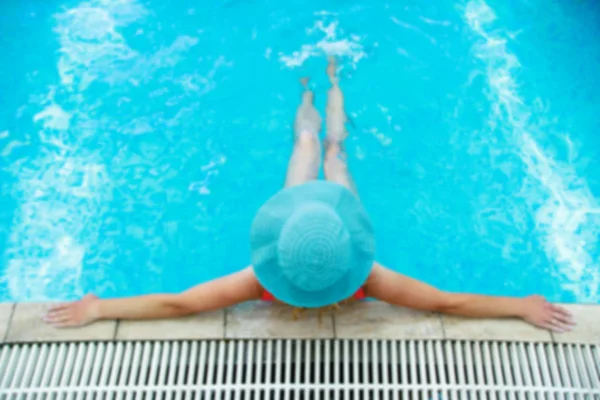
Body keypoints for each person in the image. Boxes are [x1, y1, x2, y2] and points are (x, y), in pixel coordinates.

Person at [44, 58, 574, 333]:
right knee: (335, 152)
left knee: (308, 142)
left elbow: (179, 303)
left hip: (308, 223)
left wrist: (99, 310)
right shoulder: (370, 276)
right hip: (325, 224)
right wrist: (520, 306)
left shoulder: (260, 278)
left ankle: (308, 89)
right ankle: (332, 81)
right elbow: (444, 302)